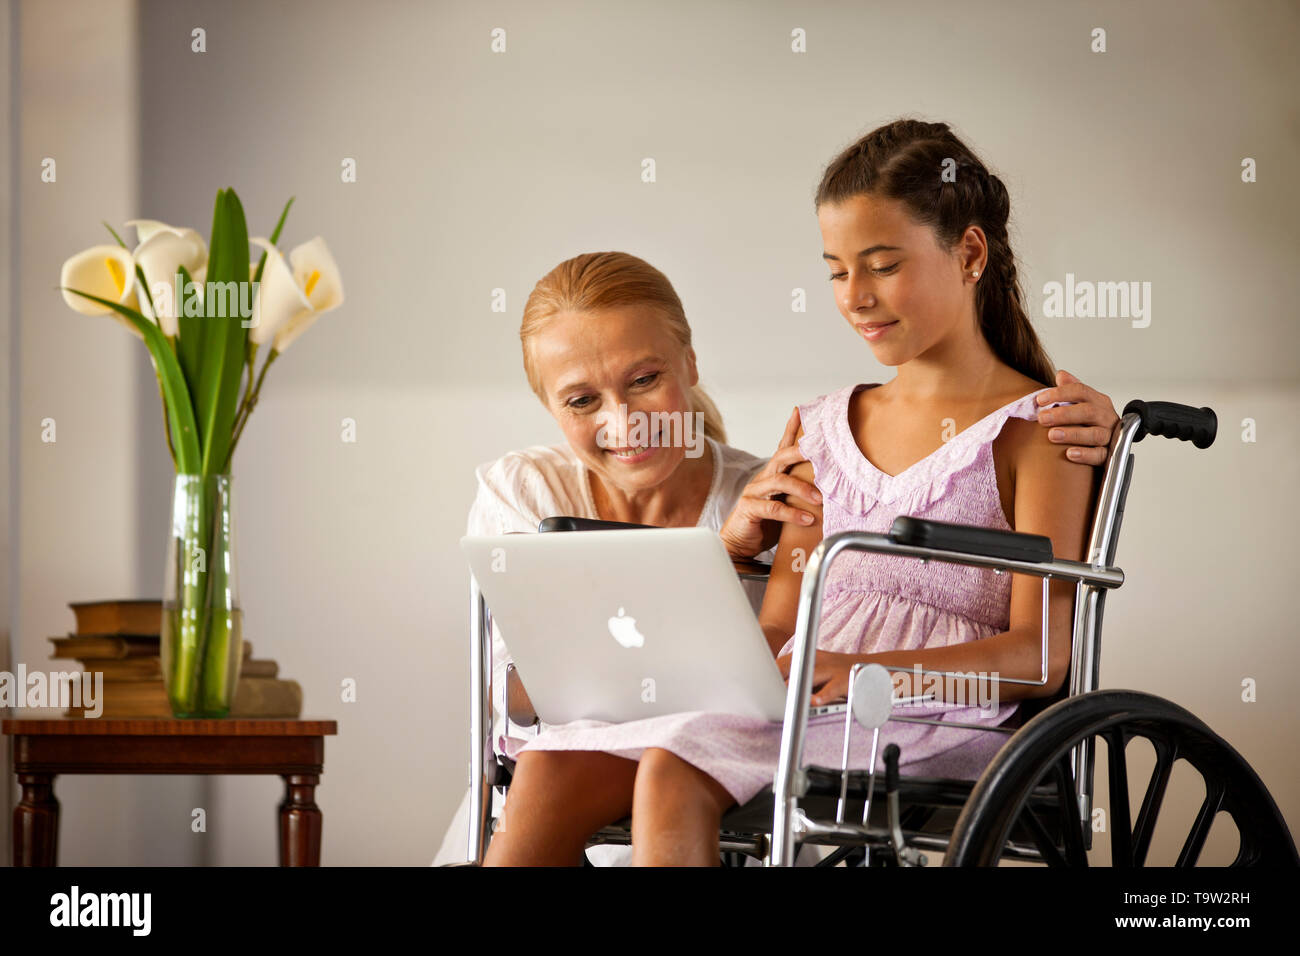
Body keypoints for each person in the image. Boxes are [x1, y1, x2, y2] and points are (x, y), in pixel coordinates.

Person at [476, 118, 1099, 866]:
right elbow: (776, 628)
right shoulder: (818, 427)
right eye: (838, 271)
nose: (857, 297)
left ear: (969, 253)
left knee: (675, 768)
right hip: (796, 697)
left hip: (932, 713)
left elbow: (1043, 656)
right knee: (550, 762)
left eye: (882, 265)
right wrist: (716, 675)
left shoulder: (1040, 430)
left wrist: (873, 673)